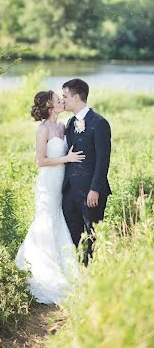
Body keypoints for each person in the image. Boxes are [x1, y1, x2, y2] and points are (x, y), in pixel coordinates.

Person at [15, 90, 82, 305]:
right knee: (46, 220)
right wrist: (67, 157)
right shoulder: (43, 129)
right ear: (50, 106)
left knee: (57, 219)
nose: (62, 102)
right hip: (48, 183)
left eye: (62, 99)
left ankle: (62, 265)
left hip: (61, 182)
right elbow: (41, 161)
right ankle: (42, 266)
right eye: (58, 100)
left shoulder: (62, 126)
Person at [62, 78, 112, 266]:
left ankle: (92, 273)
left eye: (65, 96)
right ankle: (75, 272)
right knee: (71, 235)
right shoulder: (69, 122)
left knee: (92, 236)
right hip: (69, 192)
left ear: (76, 97)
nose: (63, 100)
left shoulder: (99, 123)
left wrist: (95, 189)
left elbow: (103, 159)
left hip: (91, 193)